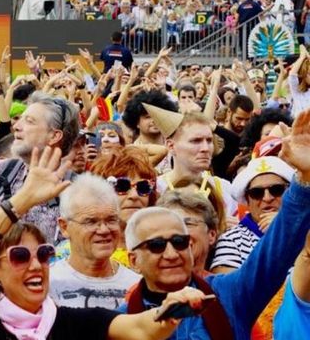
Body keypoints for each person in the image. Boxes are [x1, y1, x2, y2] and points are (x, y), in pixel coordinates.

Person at [0, 146, 206, 340]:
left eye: (44, 254)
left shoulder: (67, 322)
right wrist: (23, 201)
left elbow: (141, 329)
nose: (36, 264)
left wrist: (170, 309)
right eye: (20, 256)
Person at [121, 110, 310, 339]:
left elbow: (277, 250)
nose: (172, 253)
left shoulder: (228, 294)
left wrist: (304, 177)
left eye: (180, 241)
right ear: (133, 259)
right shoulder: (123, 321)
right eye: (157, 245)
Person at [0, 93, 80, 242]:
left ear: (54, 136)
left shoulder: (76, 189)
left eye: (29, 121)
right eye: (19, 120)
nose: (16, 126)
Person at [50, 175, 140, 309]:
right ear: (64, 227)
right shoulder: (48, 283)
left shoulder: (136, 286)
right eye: (91, 222)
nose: (104, 230)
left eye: (111, 220)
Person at [210, 156, 294, 273]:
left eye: (276, 190)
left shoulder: (306, 230)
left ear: (291, 192)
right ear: (247, 199)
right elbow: (229, 289)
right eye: (257, 193)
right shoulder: (232, 240)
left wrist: (287, 228)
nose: (267, 198)